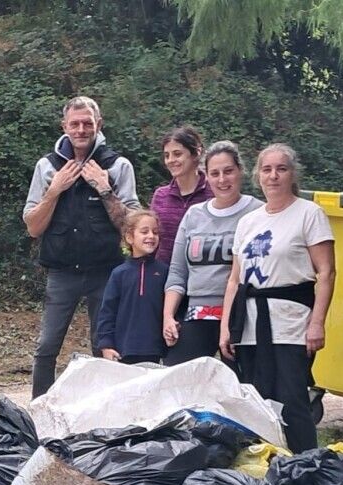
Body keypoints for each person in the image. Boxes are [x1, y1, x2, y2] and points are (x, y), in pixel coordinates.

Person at [219, 144, 335, 453]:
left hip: (290, 321)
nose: (273, 176)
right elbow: (235, 279)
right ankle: (269, 464)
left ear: (292, 174)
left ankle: (307, 463)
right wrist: (226, 328)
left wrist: (317, 323)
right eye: (267, 169)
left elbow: (326, 273)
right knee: (258, 400)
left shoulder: (309, 214)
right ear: (257, 175)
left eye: (281, 169)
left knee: (292, 397)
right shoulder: (248, 222)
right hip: (249, 321)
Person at [23, 95, 141, 397]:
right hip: (62, 273)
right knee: (46, 347)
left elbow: (133, 227)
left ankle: (105, 414)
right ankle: (39, 413)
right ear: (64, 126)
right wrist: (54, 191)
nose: (80, 129)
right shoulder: (47, 167)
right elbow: (33, 227)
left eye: (87, 123)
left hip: (106, 273)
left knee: (104, 347)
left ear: (98, 125)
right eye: (74, 124)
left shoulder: (118, 166)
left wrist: (104, 188)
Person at [163, 140, 263, 366]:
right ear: (205, 176)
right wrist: (168, 317)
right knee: (179, 378)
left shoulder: (257, 212)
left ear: (240, 171)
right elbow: (178, 272)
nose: (222, 180)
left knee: (240, 387)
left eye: (228, 172)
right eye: (214, 173)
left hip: (242, 314)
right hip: (197, 312)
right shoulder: (194, 215)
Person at [96, 209, 168, 364]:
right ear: (129, 237)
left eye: (155, 232)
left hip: (156, 350)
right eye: (144, 231)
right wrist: (106, 344)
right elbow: (107, 312)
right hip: (123, 349)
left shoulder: (165, 272)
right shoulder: (119, 273)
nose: (151, 236)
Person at [150, 126, 214, 265]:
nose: (171, 160)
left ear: (196, 153)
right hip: (164, 276)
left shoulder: (213, 193)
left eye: (177, 154)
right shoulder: (160, 195)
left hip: (202, 275)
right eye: (167, 155)